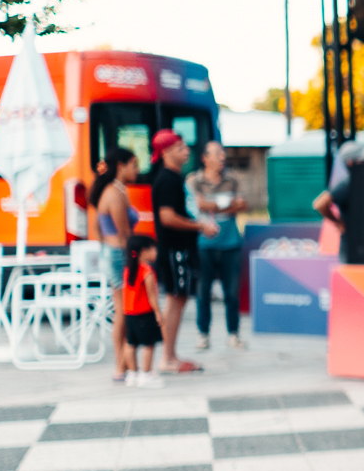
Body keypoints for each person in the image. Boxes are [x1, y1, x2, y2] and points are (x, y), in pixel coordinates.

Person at [150, 130, 216, 373]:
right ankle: (168, 358)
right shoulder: (166, 179)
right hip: (175, 249)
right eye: (180, 148)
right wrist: (200, 226)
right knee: (175, 302)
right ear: (166, 152)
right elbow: (167, 217)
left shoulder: (175, 178)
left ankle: (170, 355)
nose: (187, 151)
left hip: (181, 248)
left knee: (178, 300)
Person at [187, 140, 247, 351]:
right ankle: (203, 334)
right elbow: (198, 205)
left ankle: (234, 334)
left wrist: (212, 205)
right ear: (205, 158)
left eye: (223, 154)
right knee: (203, 292)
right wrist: (226, 205)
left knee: (232, 293)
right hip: (204, 245)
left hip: (231, 244)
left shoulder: (232, 180)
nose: (222, 158)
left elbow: (242, 204)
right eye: (217, 154)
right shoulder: (194, 181)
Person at [91, 148, 140, 382]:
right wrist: (134, 260)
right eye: (134, 165)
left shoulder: (115, 190)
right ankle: (121, 366)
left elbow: (97, 229)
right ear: (121, 166)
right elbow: (125, 234)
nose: (137, 170)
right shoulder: (115, 193)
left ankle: (124, 364)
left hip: (111, 253)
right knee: (123, 311)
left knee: (122, 310)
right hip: (118, 254)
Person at [121, 234, 165, 388]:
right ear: (144, 251)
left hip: (129, 313)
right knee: (149, 344)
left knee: (130, 343)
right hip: (144, 313)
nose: (156, 252)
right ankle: (145, 375)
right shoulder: (147, 271)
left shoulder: (128, 270)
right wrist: (159, 313)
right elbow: (152, 296)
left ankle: (132, 374)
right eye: (154, 249)